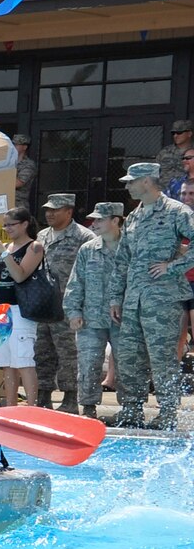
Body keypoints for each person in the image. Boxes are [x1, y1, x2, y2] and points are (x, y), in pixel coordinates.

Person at [109, 162, 194, 429]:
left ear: (147, 181)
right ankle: (132, 411)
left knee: (162, 358)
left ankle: (168, 413)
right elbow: (122, 259)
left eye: (131, 181)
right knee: (130, 357)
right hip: (133, 299)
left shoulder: (176, 211)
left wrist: (172, 267)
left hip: (162, 298)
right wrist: (115, 297)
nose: (128, 186)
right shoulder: (134, 216)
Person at [31, 193, 96, 410]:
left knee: (68, 352)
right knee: (42, 350)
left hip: (69, 304)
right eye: (47, 210)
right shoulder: (41, 235)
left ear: (69, 211)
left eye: (55, 210)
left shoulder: (85, 237)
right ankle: (43, 395)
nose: (49, 214)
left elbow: (90, 272)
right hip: (43, 304)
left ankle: (70, 397)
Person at [64, 201, 125, 423]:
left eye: (100, 219)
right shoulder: (88, 249)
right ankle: (88, 407)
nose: (94, 223)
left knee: (127, 363)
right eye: (94, 219)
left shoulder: (130, 247)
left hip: (123, 319)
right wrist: (73, 312)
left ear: (116, 220)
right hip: (91, 318)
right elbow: (75, 283)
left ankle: (129, 408)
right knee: (89, 363)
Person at [0, 206, 45, 408]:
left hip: (21, 309)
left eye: (11, 224)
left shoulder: (34, 247)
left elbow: (20, 275)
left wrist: (2, 251)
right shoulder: (6, 248)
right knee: (6, 362)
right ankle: (10, 405)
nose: (7, 228)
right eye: (5, 225)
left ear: (25, 224)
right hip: (1, 308)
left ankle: (32, 407)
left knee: (23, 360)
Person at [157, 119, 192, 195]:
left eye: (179, 132)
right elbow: (155, 172)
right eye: (173, 133)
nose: (175, 135)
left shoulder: (192, 152)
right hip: (164, 194)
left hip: (187, 194)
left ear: (189, 134)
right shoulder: (164, 152)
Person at [12, 131, 37, 197]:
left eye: (16, 145)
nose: (13, 147)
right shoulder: (9, 162)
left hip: (18, 202)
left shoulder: (28, 164)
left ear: (24, 147)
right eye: (13, 144)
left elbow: (17, 183)